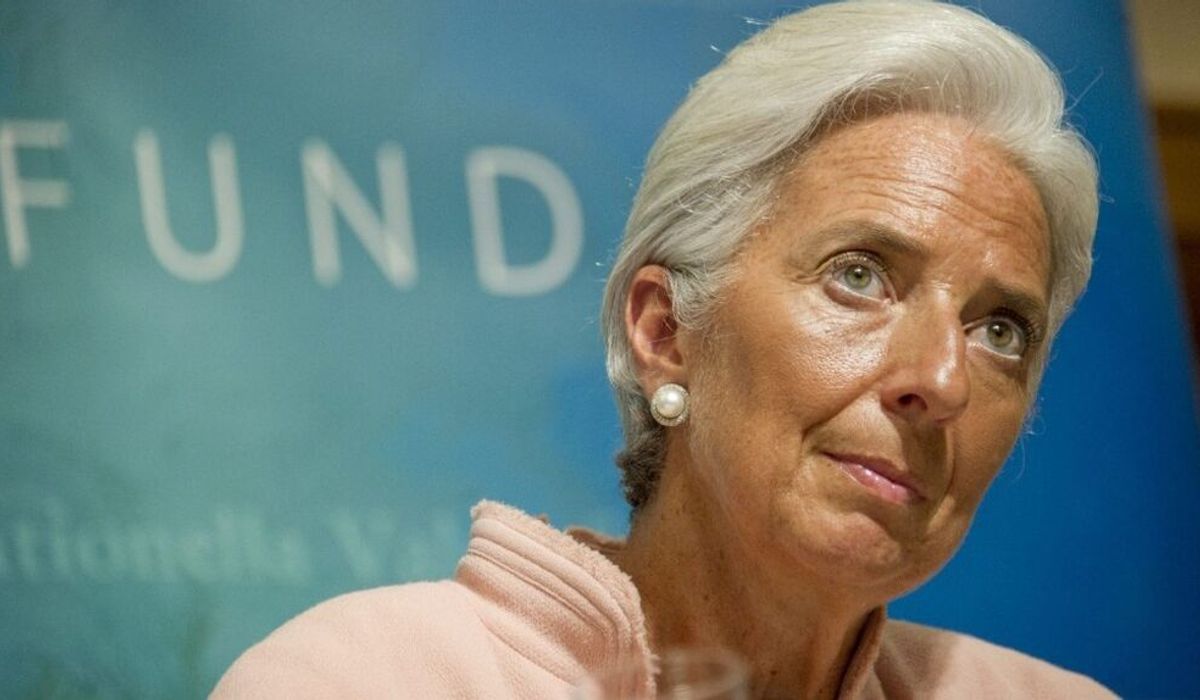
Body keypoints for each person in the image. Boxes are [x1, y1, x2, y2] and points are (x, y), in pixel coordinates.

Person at [214, 1, 1116, 697]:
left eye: (1001, 331)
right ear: (666, 331)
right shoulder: (362, 679)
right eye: (859, 276)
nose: (943, 379)